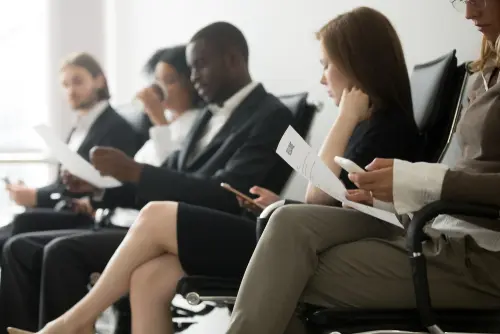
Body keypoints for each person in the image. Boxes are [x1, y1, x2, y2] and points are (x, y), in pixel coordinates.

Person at [7, 8, 425, 334]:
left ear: (355, 66)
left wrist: (345, 117)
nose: (321, 78)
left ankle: (73, 322)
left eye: (327, 64)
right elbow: (332, 204)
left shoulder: (378, 126)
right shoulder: (357, 125)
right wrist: (281, 202)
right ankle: (73, 323)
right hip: (286, 229)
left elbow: (325, 204)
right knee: (150, 277)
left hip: (293, 245)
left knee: (153, 216)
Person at [221, 3, 500, 334]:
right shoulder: (484, 73)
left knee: (282, 272)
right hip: (443, 237)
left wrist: (418, 182)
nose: (469, 12)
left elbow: (318, 198)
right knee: (283, 238)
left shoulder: (388, 126)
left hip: (480, 257)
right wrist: (393, 197)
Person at [2, 21, 293, 333]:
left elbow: (227, 193)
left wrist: (137, 172)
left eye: (200, 66)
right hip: (177, 226)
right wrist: (102, 190)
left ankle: (71, 324)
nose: (193, 77)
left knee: (64, 251)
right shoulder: (208, 115)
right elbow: (174, 176)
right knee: (139, 275)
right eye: (191, 68)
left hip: (225, 229)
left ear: (233, 59)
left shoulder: (271, 114)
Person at [0, 52, 143, 251]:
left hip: (92, 215)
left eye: (77, 82)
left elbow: (104, 186)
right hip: (67, 208)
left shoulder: (117, 128)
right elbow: (63, 183)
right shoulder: (78, 128)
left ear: (99, 81)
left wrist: (38, 197)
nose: (70, 91)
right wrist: (34, 193)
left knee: (22, 223)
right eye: (65, 85)